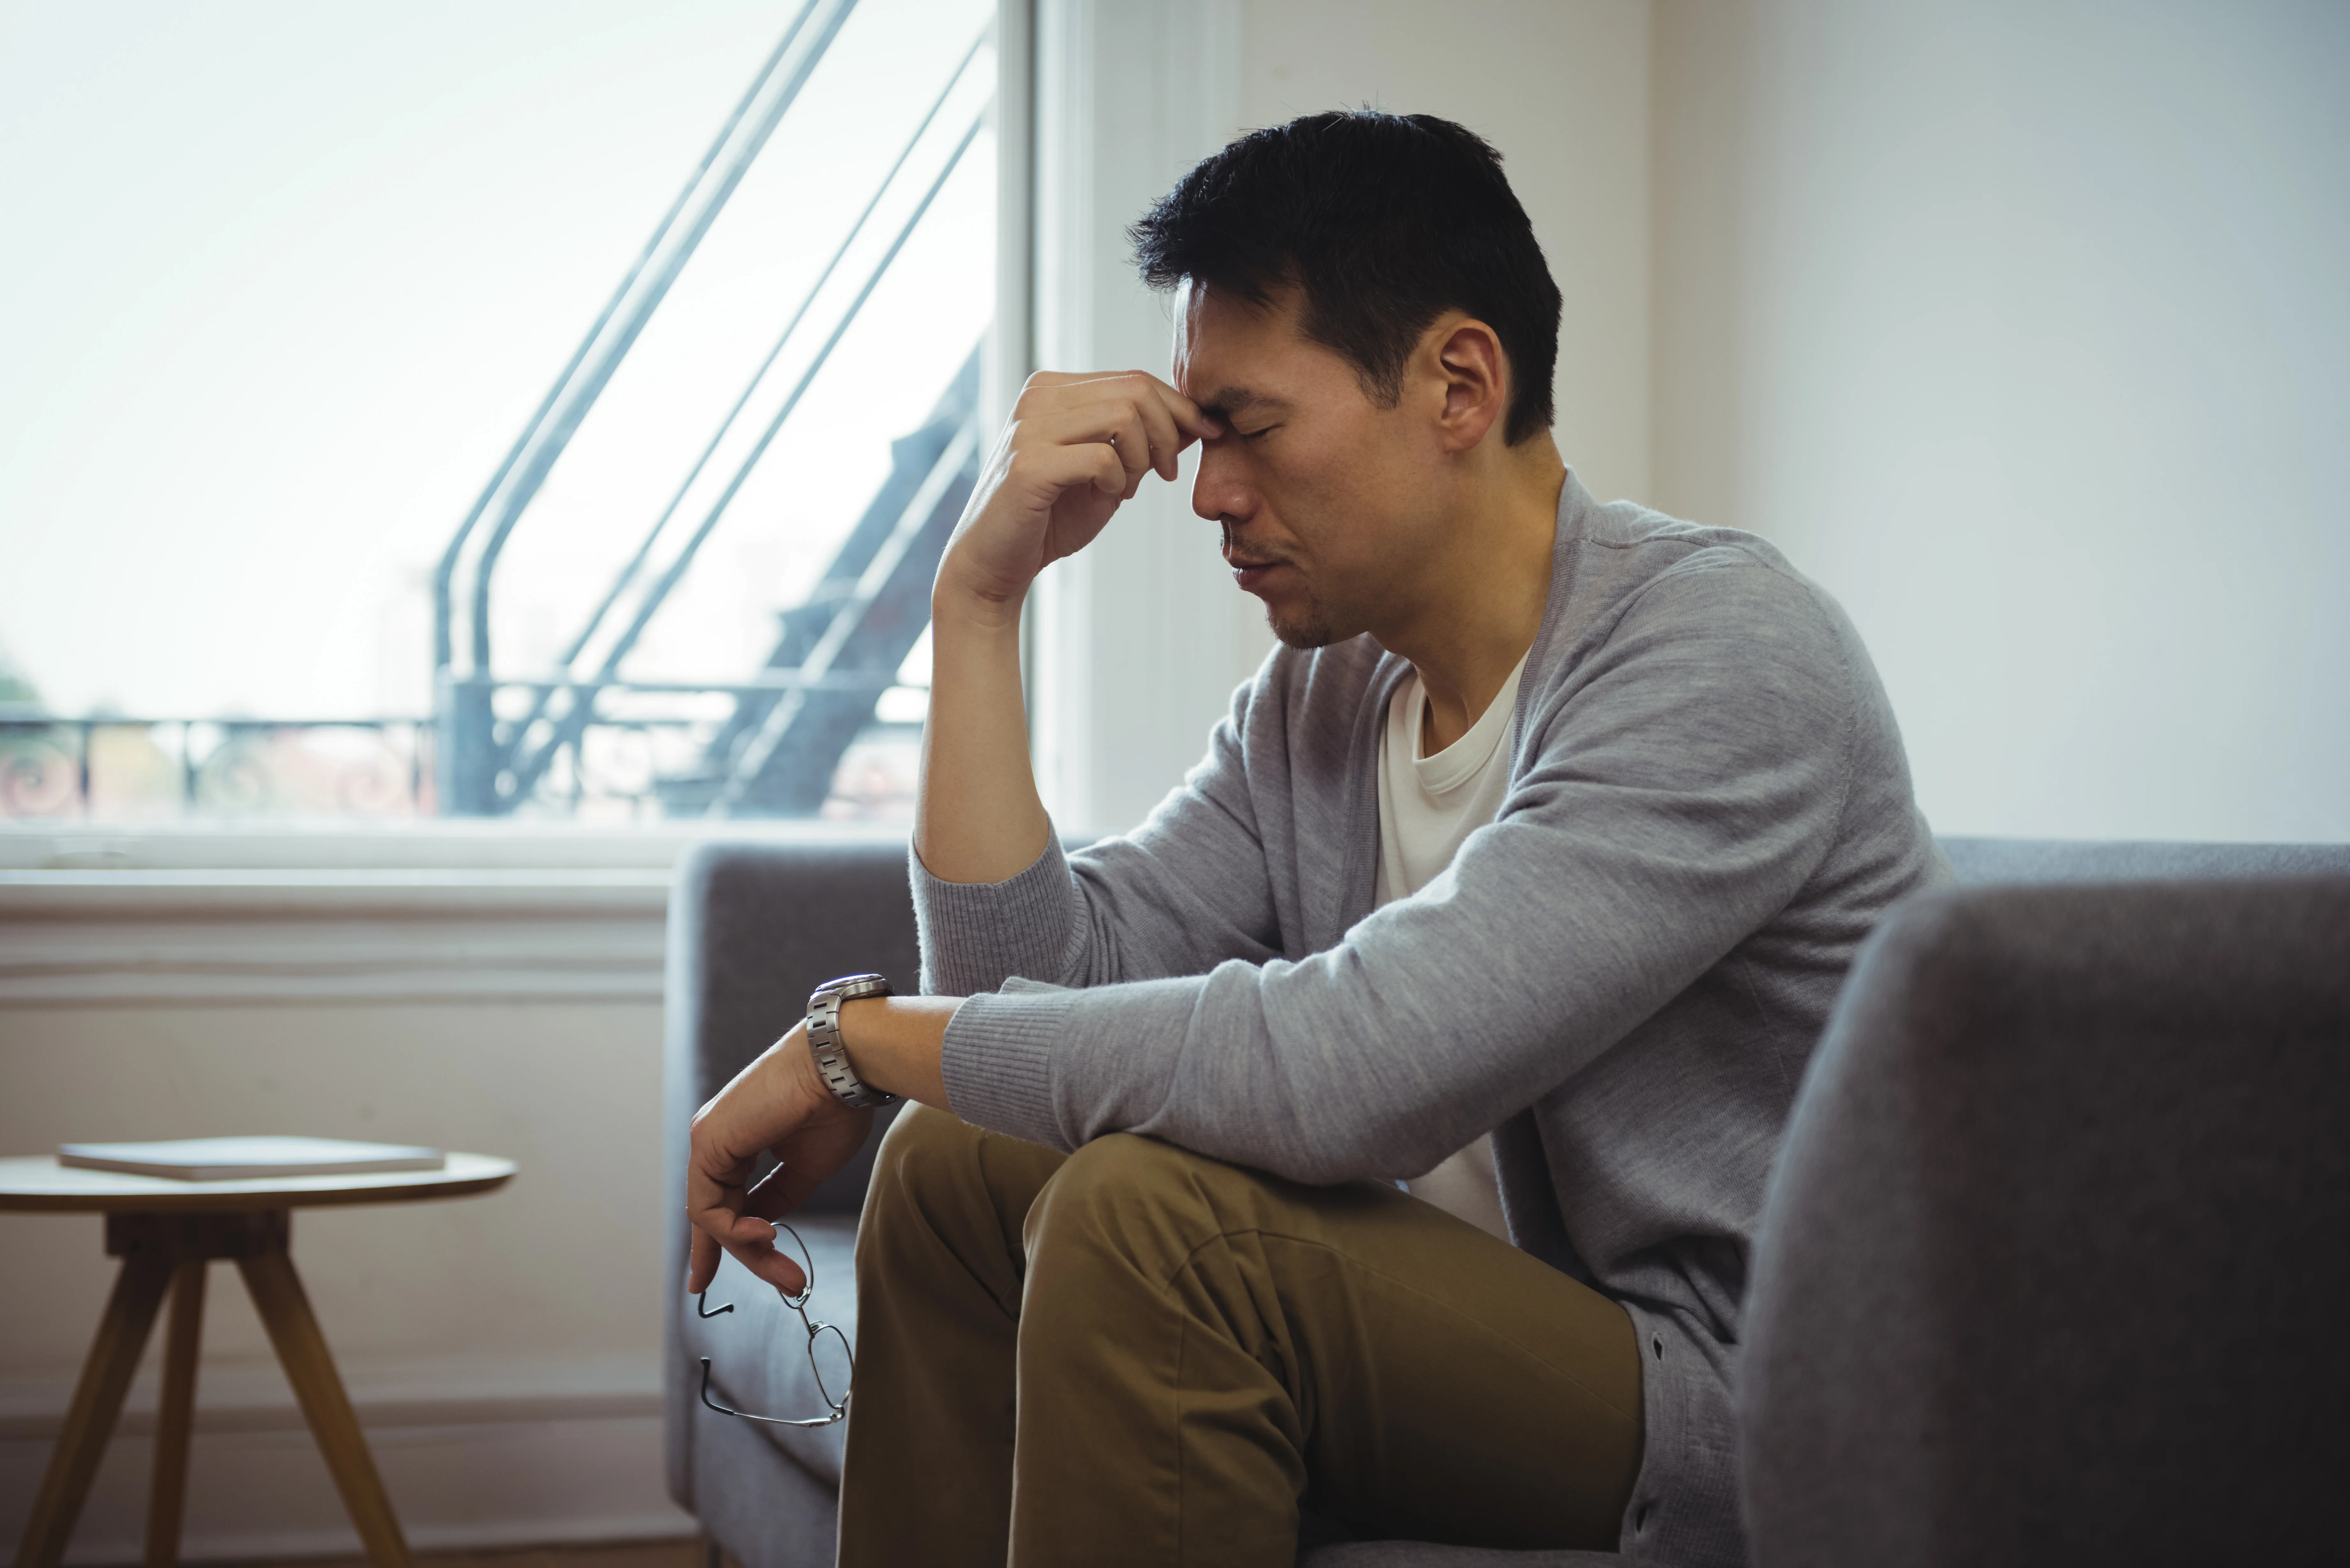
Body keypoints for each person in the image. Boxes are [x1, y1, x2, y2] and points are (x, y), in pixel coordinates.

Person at [684, 110, 1946, 1568]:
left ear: (1458, 383)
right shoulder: (1327, 697)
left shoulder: (1721, 651)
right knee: (957, 1168)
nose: (1208, 492)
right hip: (1451, 1342)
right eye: (1197, 432)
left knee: (1159, 1225)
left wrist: (858, 1041)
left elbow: (1352, 1069)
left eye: (1250, 429)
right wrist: (975, 604)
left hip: (1740, 1408)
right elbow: (1025, 1001)